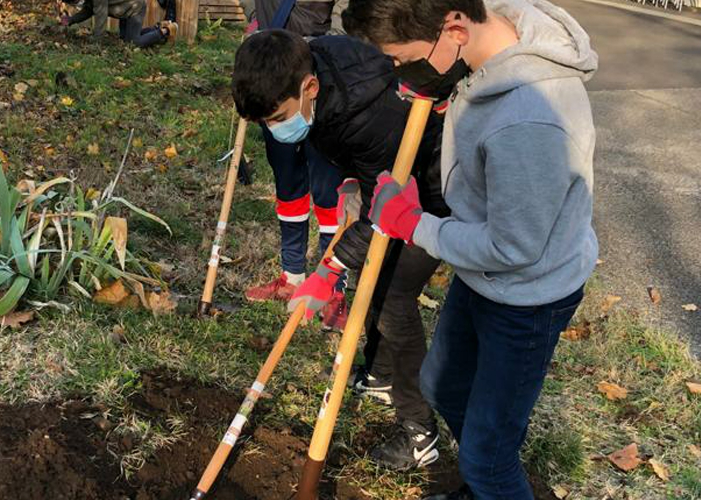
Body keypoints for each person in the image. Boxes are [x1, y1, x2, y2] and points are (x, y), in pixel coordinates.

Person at [344, 0, 598, 497]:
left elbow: (513, 248)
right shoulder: (486, 41)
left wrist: (415, 225)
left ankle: (490, 475)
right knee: (442, 385)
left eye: (400, 58)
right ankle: (488, 477)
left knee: (487, 454)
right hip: (482, 275)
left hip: (528, 296)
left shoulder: (527, 118)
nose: (397, 73)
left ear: (454, 28)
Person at [233, 29, 454, 470]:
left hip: (434, 191)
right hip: (387, 176)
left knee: (393, 295)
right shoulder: (314, 69)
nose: (275, 130)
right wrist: (353, 178)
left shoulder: (370, 115)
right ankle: (379, 374)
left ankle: (419, 431)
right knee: (375, 282)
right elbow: (356, 164)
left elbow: (383, 213)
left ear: (309, 87)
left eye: (278, 117)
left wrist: (329, 268)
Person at [239, 0, 350, 332]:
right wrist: (257, 27)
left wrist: (326, 48)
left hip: (316, 77)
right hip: (272, 78)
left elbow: (345, 8)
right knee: (288, 185)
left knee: (329, 192)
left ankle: (332, 288)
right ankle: (292, 275)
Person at [60, 0, 176, 48]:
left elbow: (101, 18)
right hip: (124, 11)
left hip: (134, 9)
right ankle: (157, 27)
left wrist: (96, 42)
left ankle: (166, 31)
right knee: (125, 38)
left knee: (133, 43)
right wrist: (71, 20)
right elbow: (89, 10)